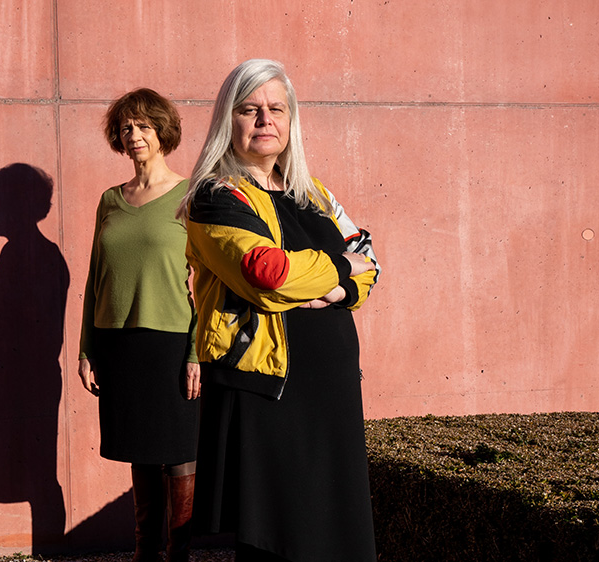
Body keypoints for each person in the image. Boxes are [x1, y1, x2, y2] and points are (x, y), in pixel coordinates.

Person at [178, 59, 380, 562]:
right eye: (249, 110)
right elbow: (267, 275)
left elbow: (372, 263)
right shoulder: (214, 198)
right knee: (277, 542)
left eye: (275, 108)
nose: (265, 119)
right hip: (265, 391)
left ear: (291, 121)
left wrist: (338, 290)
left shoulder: (315, 195)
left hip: (329, 391)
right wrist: (341, 268)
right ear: (230, 120)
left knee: (332, 531)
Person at [78, 88, 200, 562]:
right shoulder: (110, 200)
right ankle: (145, 553)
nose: (134, 136)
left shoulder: (192, 195)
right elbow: (94, 278)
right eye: (126, 128)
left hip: (172, 342)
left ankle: (180, 554)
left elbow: (206, 284)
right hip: (118, 344)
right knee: (141, 449)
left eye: (144, 126)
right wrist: (88, 350)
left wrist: (195, 354)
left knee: (179, 449)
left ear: (163, 132)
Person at [0, 163, 69, 555]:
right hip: (20, 383)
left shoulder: (33, 256)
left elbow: (37, 332)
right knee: (37, 475)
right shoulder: (19, 254)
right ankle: (48, 552)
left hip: (26, 385)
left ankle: (50, 552)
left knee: (39, 476)